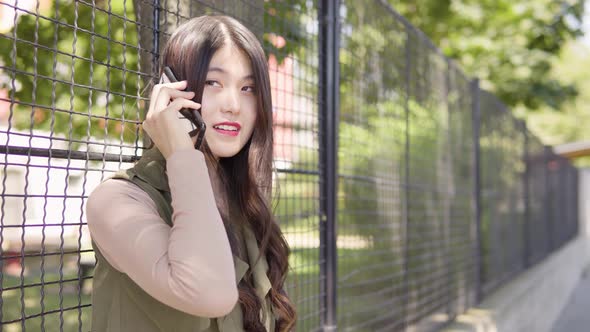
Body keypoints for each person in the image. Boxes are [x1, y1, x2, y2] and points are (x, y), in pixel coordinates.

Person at [86, 15, 296, 332]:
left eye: (248, 87)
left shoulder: (242, 204)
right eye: (214, 82)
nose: (233, 105)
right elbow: (210, 293)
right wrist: (183, 155)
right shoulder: (117, 202)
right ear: (173, 93)